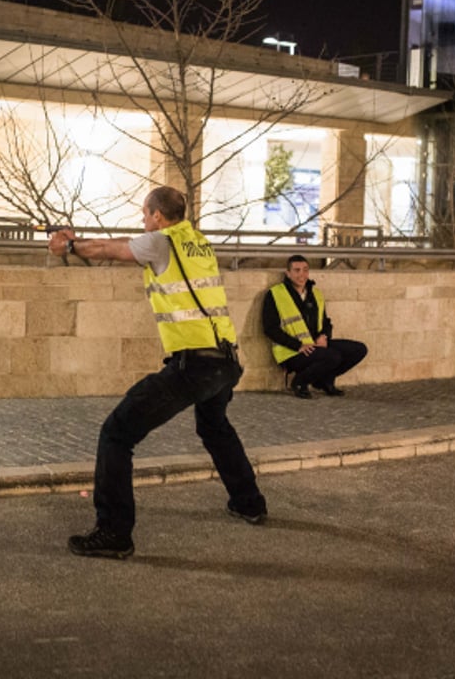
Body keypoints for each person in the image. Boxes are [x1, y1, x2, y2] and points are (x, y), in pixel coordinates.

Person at [48, 186, 266, 560]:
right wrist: (80, 239)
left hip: (195, 365)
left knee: (116, 434)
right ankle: (249, 502)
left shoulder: (161, 242)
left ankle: (114, 533)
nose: (143, 222)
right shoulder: (196, 241)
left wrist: (69, 247)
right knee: (215, 428)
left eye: (145, 215)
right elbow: (125, 241)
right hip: (225, 361)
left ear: (158, 217)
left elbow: (110, 249)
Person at [261, 255, 368, 398]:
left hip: (314, 345)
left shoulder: (315, 293)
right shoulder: (275, 294)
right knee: (333, 356)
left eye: (305, 270)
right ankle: (300, 382)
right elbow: (270, 329)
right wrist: (298, 346)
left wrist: (324, 336)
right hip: (292, 351)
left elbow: (325, 321)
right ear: (288, 273)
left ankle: (323, 380)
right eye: (297, 270)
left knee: (358, 349)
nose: (302, 275)